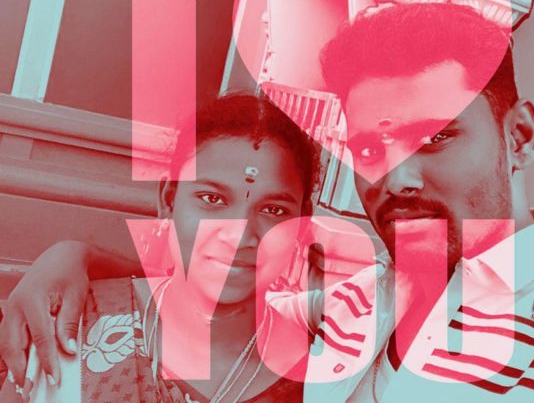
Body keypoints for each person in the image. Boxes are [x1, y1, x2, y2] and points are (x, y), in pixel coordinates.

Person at [3, 3, 534, 402]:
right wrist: (74, 258)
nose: (399, 177)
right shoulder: (355, 302)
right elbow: (215, 286)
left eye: (435, 137)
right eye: (370, 147)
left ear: (519, 137)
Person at [0, 93, 323, 402]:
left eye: (274, 210)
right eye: (212, 199)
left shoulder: (324, 373)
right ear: (169, 199)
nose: (240, 235)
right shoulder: (67, 321)